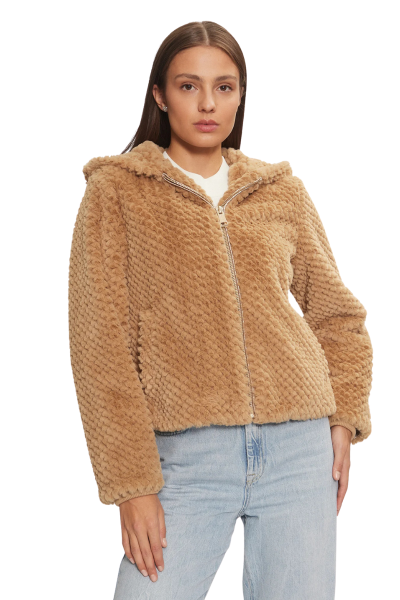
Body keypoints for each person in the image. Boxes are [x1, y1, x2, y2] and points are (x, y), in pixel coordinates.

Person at [68, 20, 373, 600]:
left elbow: (338, 316)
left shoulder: (279, 191)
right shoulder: (116, 193)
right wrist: (131, 485)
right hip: (185, 458)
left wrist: (344, 416)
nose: (207, 103)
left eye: (224, 87)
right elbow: (99, 348)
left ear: (240, 95)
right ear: (160, 95)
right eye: (189, 86)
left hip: (298, 452)